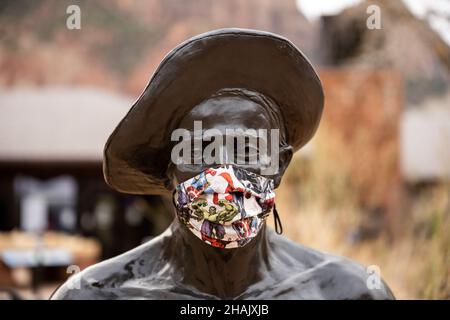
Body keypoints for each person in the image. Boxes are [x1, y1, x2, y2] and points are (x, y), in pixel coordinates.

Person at [51, 28, 395, 300]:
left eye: (247, 150)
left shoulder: (350, 293)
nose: (223, 176)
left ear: (280, 164)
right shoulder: (94, 296)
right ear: (168, 168)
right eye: (201, 150)